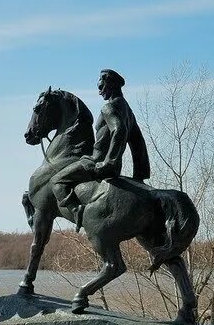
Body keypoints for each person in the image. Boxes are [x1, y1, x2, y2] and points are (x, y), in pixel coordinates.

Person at [51, 69, 150, 229]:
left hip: (97, 164)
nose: (99, 92)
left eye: (101, 87)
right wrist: (140, 174)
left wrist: (108, 162)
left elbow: (119, 130)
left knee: (56, 181)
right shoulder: (127, 109)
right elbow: (138, 141)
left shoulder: (108, 108)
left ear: (110, 85)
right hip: (114, 168)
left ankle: (78, 212)